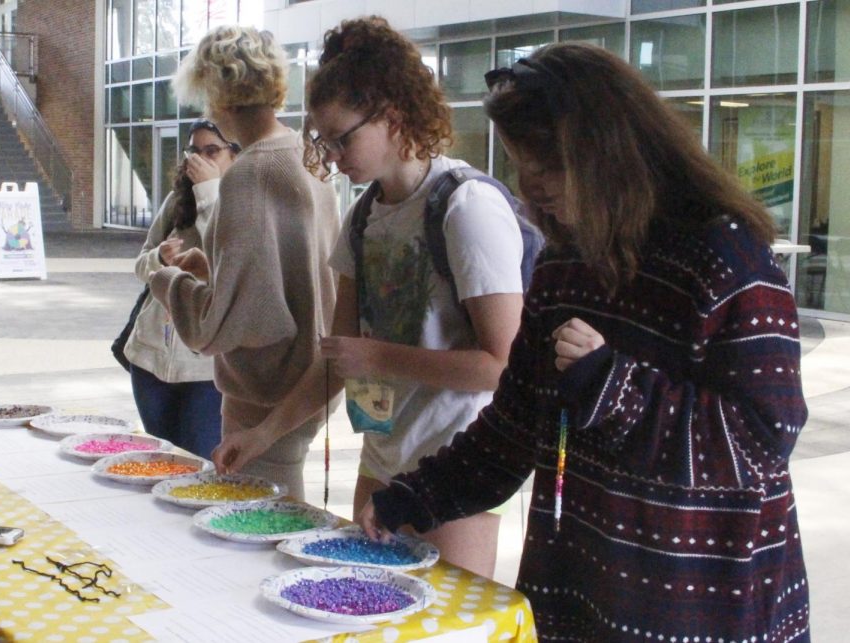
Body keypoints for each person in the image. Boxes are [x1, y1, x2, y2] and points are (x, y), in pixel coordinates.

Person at [359, 42, 811, 642]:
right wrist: (416, 497)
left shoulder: (726, 260)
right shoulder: (564, 265)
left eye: (551, 165)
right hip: (582, 584)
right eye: (523, 164)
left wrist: (616, 390)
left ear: (614, 154)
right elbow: (516, 424)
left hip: (702, 601)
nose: (533, 185)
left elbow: (763, 440)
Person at [212, 16, 525, 579]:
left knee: (442, 626)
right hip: (382, 460)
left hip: (457, 467)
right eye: (321, 140)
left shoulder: (465, 207)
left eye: (342, 137)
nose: (331, 156)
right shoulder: (362, 217)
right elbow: (337, 362)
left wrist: (379, 358)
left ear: (393, 115)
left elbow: (501, 367)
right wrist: (261, 434)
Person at [149, 25, 340, 500]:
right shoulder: (302, 154)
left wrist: (167, 282)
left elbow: (223, 324)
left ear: (215, 92)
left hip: (266, 391)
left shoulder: (249, 173)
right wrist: (211, 265)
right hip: (312, 379)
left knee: (258, 528)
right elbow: (288, 273)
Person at [124, 119, 239, 459]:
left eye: (212, 151)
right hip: (150, 358)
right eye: (194, 151)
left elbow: (227, 258)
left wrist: (209, 192)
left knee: (197, 465)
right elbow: (141, 263)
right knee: (160, 465)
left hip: (205, 367)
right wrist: (159, 257)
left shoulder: (242, 202)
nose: (199, 160)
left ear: (235, 155)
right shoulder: (178, 199)